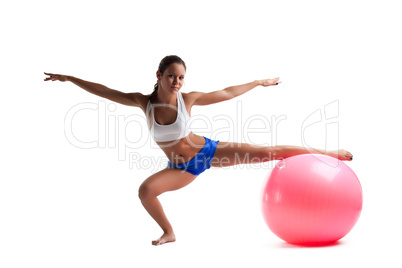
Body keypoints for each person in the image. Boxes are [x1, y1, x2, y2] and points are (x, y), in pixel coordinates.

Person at [44, 55, 353, 246]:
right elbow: (106, 91)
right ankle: (169, 232)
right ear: (159, 76)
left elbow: (227, 92)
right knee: (145, 191)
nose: (177, 82)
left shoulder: (187, 98)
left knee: (267, 151)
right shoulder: (144, 102)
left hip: (207, 151)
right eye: (171, 76)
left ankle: (328, 153)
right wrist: (70, 78)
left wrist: (258, 82)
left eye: (181, 77)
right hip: (181, 169)